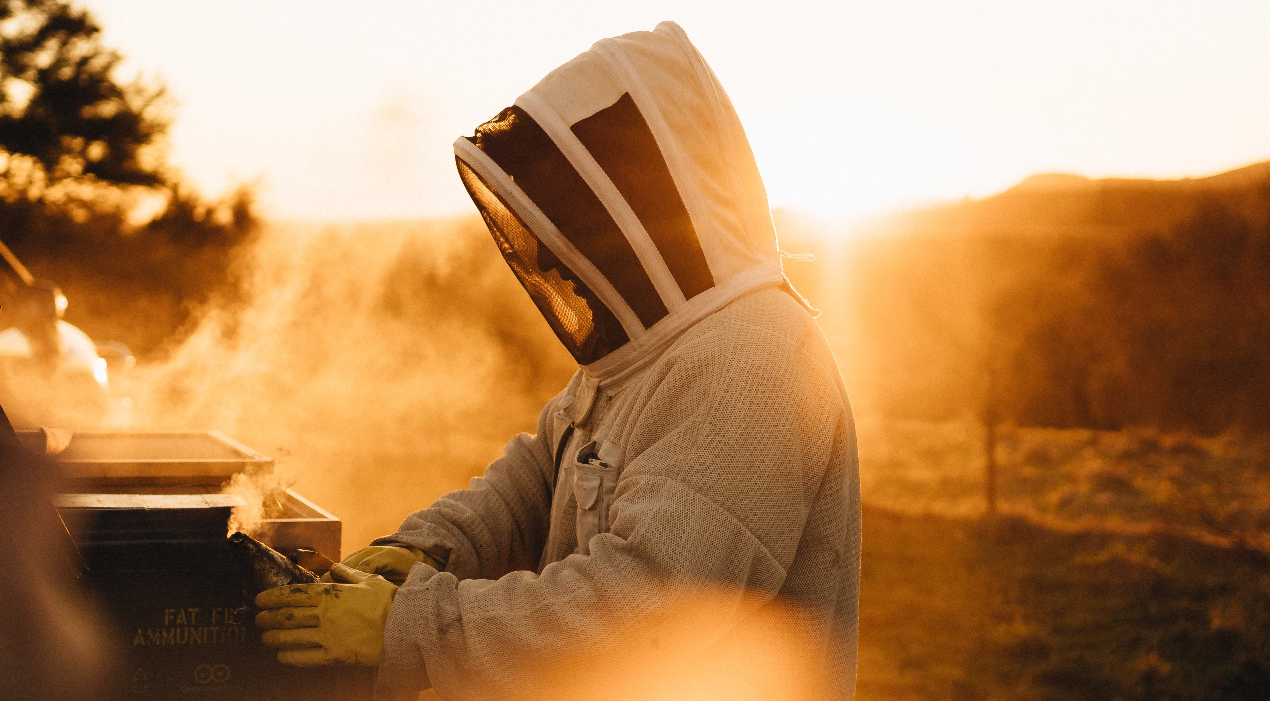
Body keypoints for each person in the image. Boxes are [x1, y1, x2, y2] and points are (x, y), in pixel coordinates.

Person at [255, 22, 860, 700]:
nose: (548, 256)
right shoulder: (646, 353)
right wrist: (425, 547)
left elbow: (650, 603)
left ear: (637, 205)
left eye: (569, 221)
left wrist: (409, 625)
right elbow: (537, 481)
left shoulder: (753, 357)